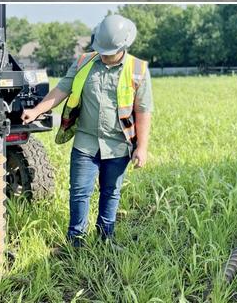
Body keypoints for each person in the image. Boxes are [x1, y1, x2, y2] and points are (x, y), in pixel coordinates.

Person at [21, 14, 152, 246]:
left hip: (118, 144)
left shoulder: (138, 69)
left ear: (123, 46)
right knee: (80, 192)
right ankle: (76, 241)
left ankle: (105, 238)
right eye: (101, 49)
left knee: (110, 192)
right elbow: (62, 89)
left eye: (109, 51)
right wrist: (37, 110)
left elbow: (143, 110)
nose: (104, 54)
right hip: (86, 142)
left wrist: (142, 147)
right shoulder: (84, 62)